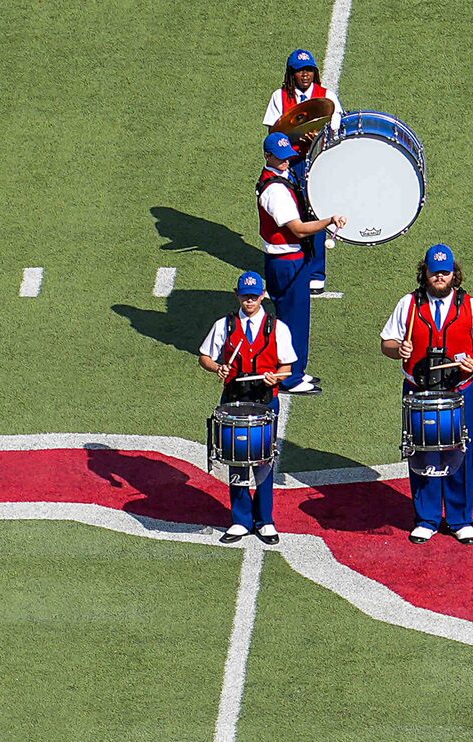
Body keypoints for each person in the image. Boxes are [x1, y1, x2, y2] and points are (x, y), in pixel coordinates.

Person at [381, 243, 473, 543]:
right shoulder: (408, 304)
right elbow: (387, 344)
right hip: (418, 392)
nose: (440, 278)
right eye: (435, 273)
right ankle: (427, 517)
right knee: (420, 452)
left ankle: (461, 518)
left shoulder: (471, 305)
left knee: (460, 450)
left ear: (454, 274)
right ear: (426, 273)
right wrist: (399, 349)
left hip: (458, 391)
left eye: (445, 273)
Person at [196, 273, 295, 545]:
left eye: (254, 296)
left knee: (263, 461)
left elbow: (287, 367)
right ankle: (240, 520)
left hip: (264, 401)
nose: (249, 300)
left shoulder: (278, 327)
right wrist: (218, 368)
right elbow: (205, 356)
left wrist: (277, 377)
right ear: (236, 295)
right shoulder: (224, 325)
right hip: (234, 400)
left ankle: (265, 521)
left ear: (263, 295)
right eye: (244, 295)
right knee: (237, 459)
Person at [255, 132, 339, 391]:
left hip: (290, 258)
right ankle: (289, 377)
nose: (286, 162)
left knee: (299, 318)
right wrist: (329, 221)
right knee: (293, 321)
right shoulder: (276, 191)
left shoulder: (281, 177)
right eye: (280, 158)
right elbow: (299, 229)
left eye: (287, 157)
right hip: (286, 260)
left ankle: (297, 371)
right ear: (268, 156)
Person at [261, 48, 341, 298]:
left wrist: (320, 137)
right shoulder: (279, 96)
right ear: (291, 73)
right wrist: (294, 136)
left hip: (318, 161)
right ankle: (295, 263)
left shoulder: (327, 96)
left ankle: (316, 273)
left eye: (308, 70)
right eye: (299, 71)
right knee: (292, 213)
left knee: (314, 211)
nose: (304, 75)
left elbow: (339, 130)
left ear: (314, 72)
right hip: (290, 162)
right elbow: (271, 134)